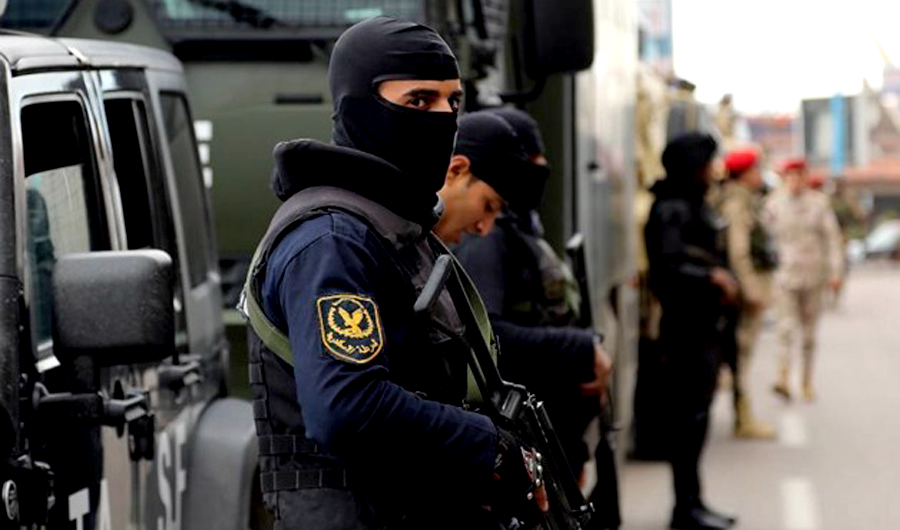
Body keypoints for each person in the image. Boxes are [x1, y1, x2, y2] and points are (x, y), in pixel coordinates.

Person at [242, 18, 531, 529]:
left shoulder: (389, 226)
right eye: (419, 101)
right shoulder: (332, 238)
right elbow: (347, 406)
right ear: (357, 107)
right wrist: (488, 446)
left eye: (454, 102)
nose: (443, 117)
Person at [450, 107, 619, 530]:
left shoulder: (521, 227)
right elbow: (489, 337)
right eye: (532, 166)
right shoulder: (488, 239)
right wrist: (577, 348)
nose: (539, 176)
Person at [645, 133, 738, 530]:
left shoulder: (691, 206)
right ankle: (686, 508)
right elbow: (666, 270)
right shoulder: (670, 209)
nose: (711, 173)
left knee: (696, 419)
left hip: (703, 329)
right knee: (688, 420)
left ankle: (694, 502)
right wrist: (711, 277)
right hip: (685, 331)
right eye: (706, 165)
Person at [765, 158, 844, 402]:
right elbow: (764, 240)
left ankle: (806, 381)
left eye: (800, 175)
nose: (795, 181)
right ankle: (783, 377)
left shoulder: (819, 204)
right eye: (791, 176)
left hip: (813, 275)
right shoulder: (774, 204)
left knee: (809, 335)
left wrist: (835, 273)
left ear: (806, 177)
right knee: (786, 329)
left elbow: (833, 239)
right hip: (785, 277)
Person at [718, 148, 777, 440]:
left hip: (746, 290)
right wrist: (752, 291)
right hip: (744, 293)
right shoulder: (736, 204)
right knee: (741, 356)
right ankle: (744, 419)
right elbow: (738, 252)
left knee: (741, 355)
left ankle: (744, 416)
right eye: (756, 169)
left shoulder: (744, 201)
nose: (759, 175)